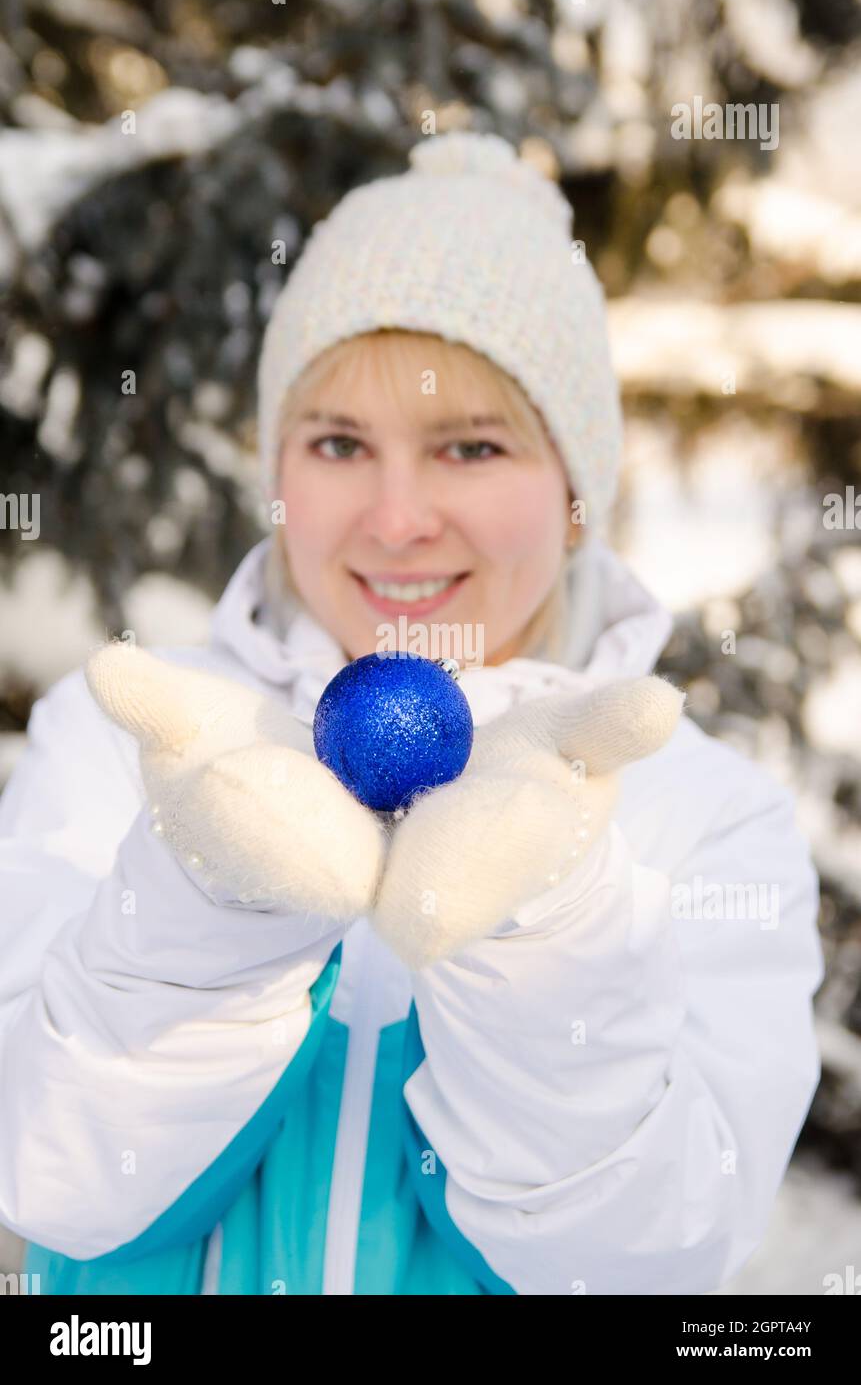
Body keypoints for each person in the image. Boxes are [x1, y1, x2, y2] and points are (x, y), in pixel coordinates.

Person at [0, 131, 823, 1296]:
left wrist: (546, 922)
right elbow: (45, 1174)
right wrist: (206, 900)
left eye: (470, 446)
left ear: (579, 496)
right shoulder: (144, 741)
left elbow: (648, 1262)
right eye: (339, 443)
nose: (396, 519)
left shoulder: (704, 817)